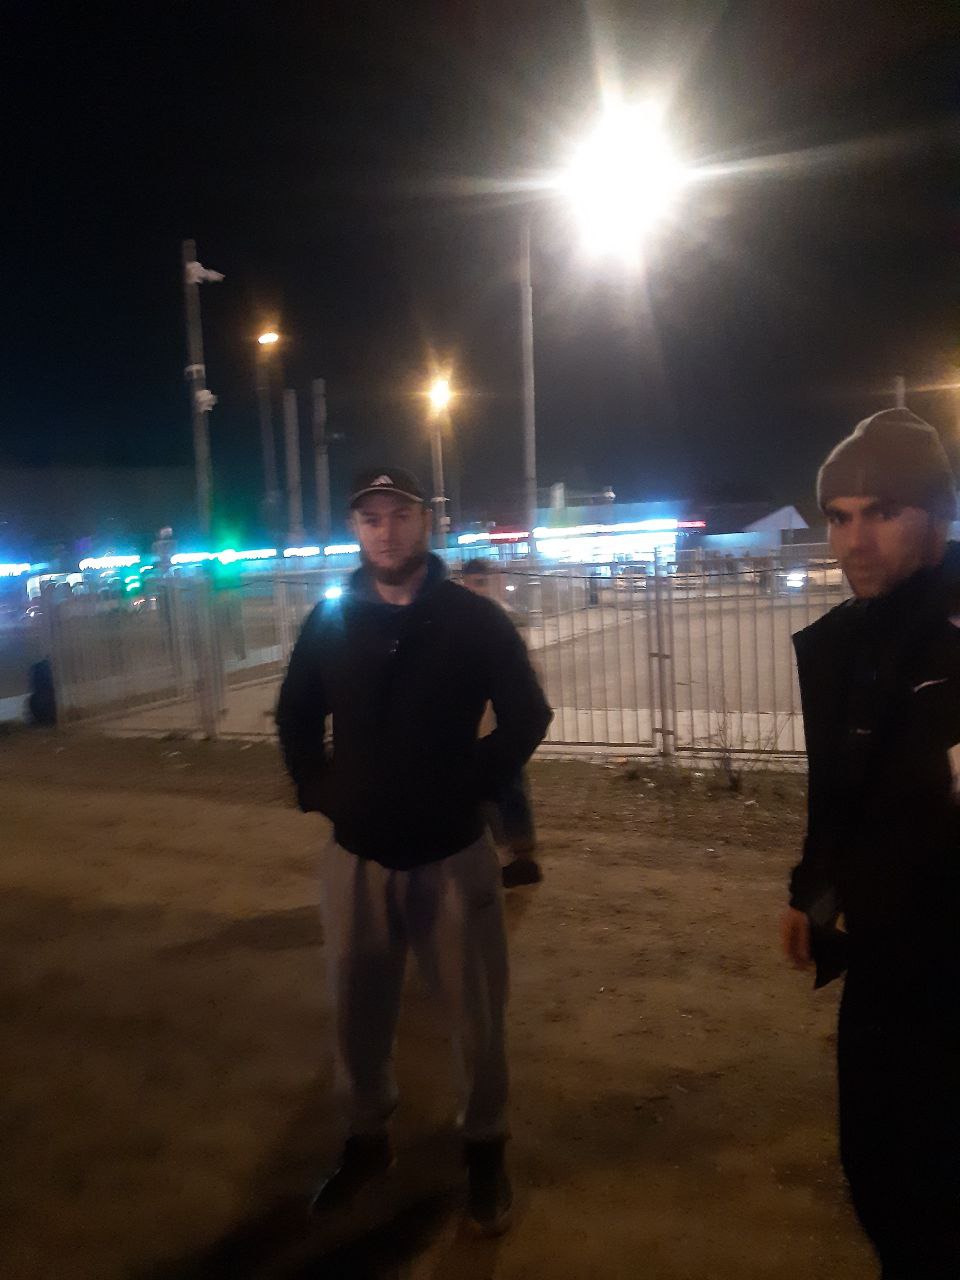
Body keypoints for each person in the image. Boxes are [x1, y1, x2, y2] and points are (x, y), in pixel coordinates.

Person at [276, 467, 552, 1235]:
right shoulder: (329, 621)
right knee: (356, 1015)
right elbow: (295, 714)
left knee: (476, 1016)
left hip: (452, 855)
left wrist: (475, 782)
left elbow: (528, 714)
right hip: (357, 858)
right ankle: (366, 1140)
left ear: (425, 521)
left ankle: (485, 1151)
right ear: (355, 529)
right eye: (370, 518)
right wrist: (320, 790)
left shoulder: (472, 620)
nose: (386, 531)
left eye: (399, 514)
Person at [780, 408, 960, 1278]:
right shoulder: (840, 646)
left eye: (883, 512)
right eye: (840, 516)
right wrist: (810, 895)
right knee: (876, 1164)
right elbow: (836, 797)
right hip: (883, 962)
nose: (855, 539)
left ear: (938, 516)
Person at [460, 558, 544, 888]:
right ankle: (503, 855)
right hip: (477, 725)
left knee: (509, 788)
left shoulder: (502, 618)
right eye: (471, 583)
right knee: (488, 793)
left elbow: (525, 674)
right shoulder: (463, 619)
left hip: (499, 723)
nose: (476, 590)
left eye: (482, 582)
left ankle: (520, 856)